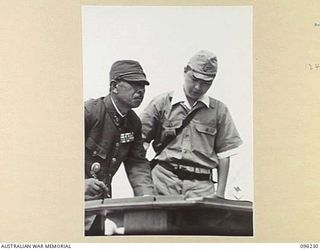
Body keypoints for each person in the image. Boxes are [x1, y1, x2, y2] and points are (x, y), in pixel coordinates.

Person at [140, 50, 242, 199]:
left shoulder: (219, 110)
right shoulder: (161, 103)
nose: (198, 87)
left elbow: (224, 155)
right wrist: (145, 187)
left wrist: (219, 194)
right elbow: (139, 144)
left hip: (201, 189)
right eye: (194, 79)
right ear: (185, 71)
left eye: (206, 83)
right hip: (163, 182)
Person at [84, 60, 154, 235]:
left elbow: (137, 164)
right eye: (133, 84)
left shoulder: (133, 123)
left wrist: (147, 198)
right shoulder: (89, 112)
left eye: (143, 85)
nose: (140, 91)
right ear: (114, 86)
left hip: (99, 208)